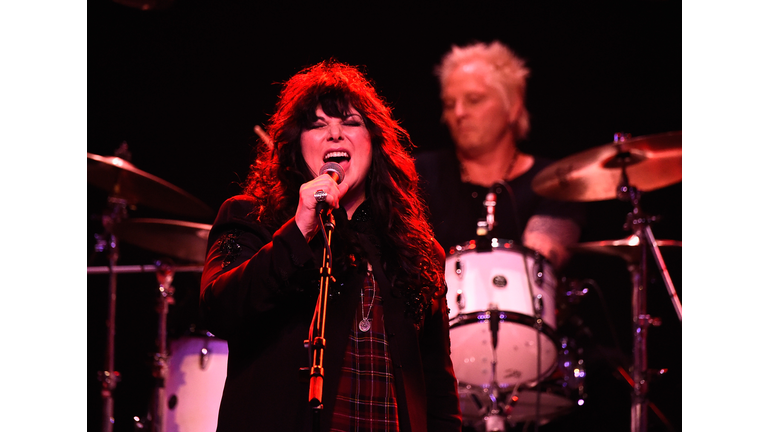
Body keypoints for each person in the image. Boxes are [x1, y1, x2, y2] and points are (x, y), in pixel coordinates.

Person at [200, 60, 462, 432]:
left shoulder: (416, 250)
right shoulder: (251, 217)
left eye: (351, 123)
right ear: (295, 145)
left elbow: (438, 388)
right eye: (317, 125)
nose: (335, 135)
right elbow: (217, 309)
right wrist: (300, 229)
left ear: (374, 144)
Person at [415, 41, 585, 270]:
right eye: (449, 103)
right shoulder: (420, 173)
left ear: (513, 106)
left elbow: (542, 260)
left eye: (474, 100)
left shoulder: (555, 182)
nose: (459, 113)